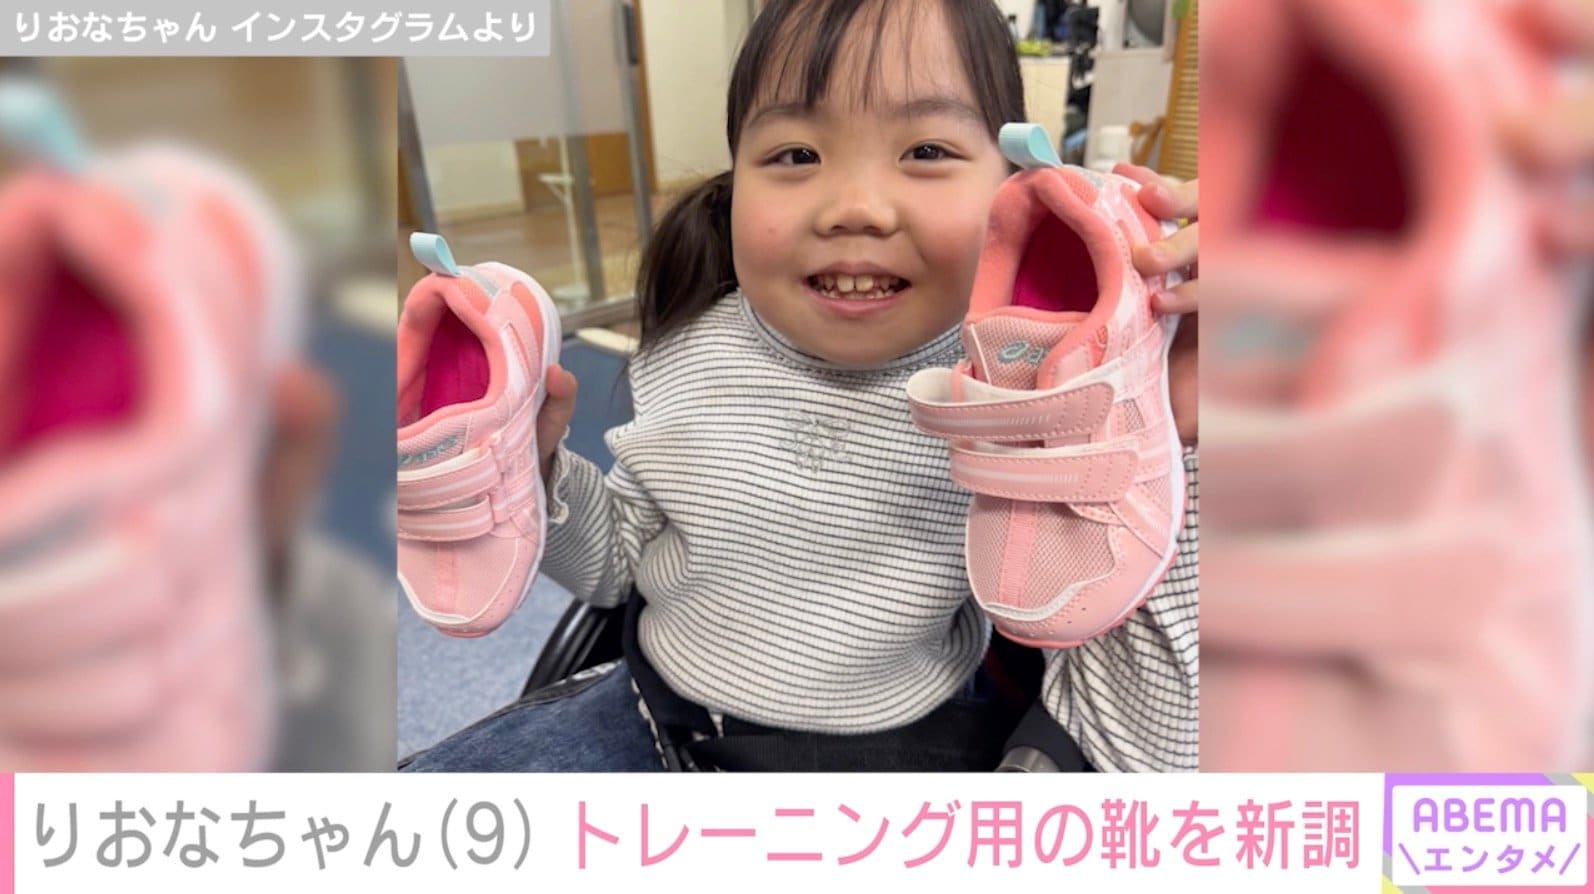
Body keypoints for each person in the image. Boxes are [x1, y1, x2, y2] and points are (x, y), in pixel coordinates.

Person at [402, 0, 1200, 773]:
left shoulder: (1025, 391)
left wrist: (1177, 424)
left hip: (902, 752)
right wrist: (539, 472)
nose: (854, 209)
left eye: (926, 150)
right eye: (795, 156)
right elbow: (620, 561)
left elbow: (1141, 724)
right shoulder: (691, 350)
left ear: (1015, 180)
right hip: (651, 717)